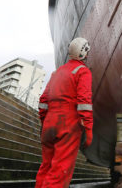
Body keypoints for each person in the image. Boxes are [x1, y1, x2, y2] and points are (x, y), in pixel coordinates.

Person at [35, 37, 93, 188]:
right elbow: (84, 103)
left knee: (45, 167)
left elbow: (43, 101)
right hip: (67, 124)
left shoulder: (56, 73)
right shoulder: (83, 72)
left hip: (49, 123)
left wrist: (44, 123)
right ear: (84, 53)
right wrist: (88, 129)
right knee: (60, 172)